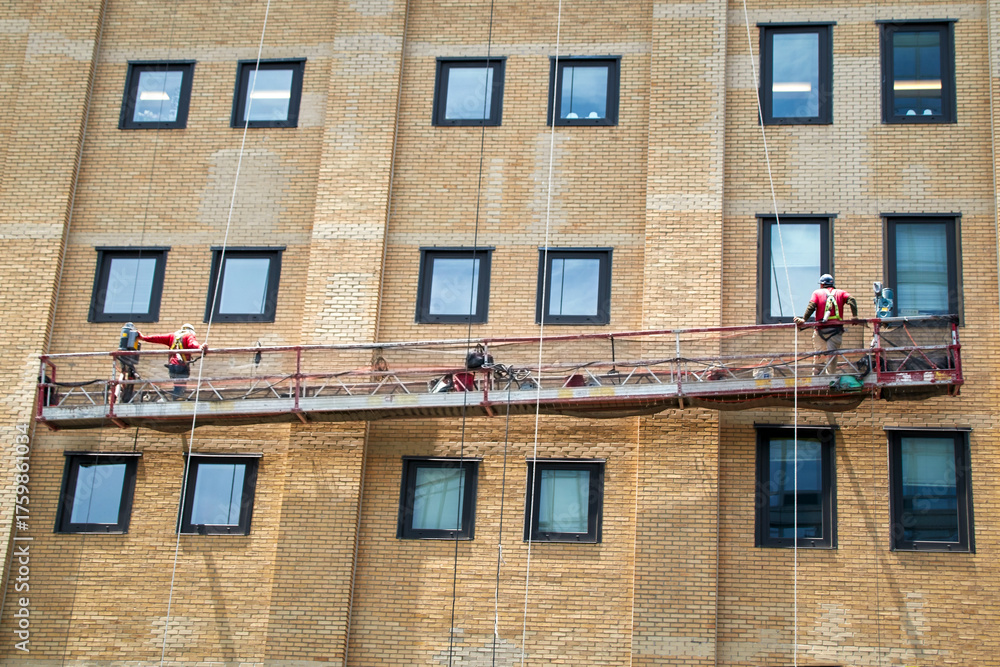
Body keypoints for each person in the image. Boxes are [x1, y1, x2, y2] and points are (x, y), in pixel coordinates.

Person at [793, 274, 858, 375]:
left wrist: (804, 319)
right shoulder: (841, 293)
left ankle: (817, 374)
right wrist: (855, 316)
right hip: (835, 331)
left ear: (822, 284)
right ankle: (830, 376)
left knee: (819, 353)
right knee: (832, 355)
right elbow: (852, 300)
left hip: (820, 331)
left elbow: (812, 306)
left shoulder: (817, 293)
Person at [136, 323, 205, 398]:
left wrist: (143, 338)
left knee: (177, 384)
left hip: (172, 366)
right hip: (181, 365)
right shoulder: (188, 335)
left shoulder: (173, 336)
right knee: (180, 385)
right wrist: (200, 347)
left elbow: (158, 338)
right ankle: (177, 399)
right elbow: (192, 344)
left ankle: (177, 397)